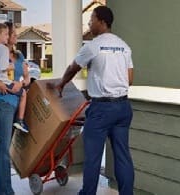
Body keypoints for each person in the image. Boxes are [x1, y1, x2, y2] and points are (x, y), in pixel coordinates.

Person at [52, 6, 135, 195]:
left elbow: (73, 68)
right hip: (123, 107)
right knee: (123, 157)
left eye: (92, 19)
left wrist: (62, 84)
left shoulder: (92, 46)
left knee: (93, 158)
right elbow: (129, 79)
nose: (89, 23)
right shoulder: (124, 46)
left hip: (101, 110)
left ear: (102, 21)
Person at [0, 21, 30, 142]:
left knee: (13, 144)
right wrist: (0, 84)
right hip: (4, 100)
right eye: (12, 33)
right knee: (4, 144)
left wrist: (21, 83)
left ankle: (19, 121)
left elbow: (27, 77)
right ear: (3, 36)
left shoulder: (19, 55)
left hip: (17, 102)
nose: (15, 35)